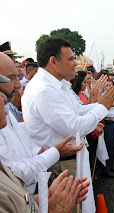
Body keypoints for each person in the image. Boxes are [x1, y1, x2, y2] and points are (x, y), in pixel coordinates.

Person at [21, 37, 114, 184]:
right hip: (61, 165)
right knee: (72, 206)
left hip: (70, 161)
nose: (75, 64)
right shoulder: (44, 90)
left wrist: (107, 104)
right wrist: (102, 107)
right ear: (53, 61)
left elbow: (79, 110)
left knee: (82, 204)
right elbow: (76, 127)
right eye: (71, 59)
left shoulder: (59, 85)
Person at [0, 52, 84, 194]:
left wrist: (38, 151)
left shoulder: (6, 105)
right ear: (53, 61)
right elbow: (12, 172)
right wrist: (54, 153)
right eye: (11, 78)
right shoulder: (43, 90)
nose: (18, 83)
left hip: (27, 193)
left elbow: (20, 141)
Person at [0, 87, 90, 212]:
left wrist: (44, 198)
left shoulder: (7, 113)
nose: (4, 98)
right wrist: (54, 153)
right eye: (11, 78)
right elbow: (15, 173)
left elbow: (24, 142)